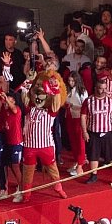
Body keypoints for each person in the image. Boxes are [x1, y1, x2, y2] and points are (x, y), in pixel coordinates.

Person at [14, 75, 68, 203]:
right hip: (30, 146)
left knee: (53, 170)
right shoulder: (29, 110)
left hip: (45, 146)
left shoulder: (50, 112)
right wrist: (27, 83)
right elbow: (22, 96)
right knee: (27, 172)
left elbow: (56, 104)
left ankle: (59, 188)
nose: (38, 98)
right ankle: (26, 194)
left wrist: (55, 89)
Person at [81, 80, 112, 185]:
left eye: (104, 88)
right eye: (100, 88)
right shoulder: (88, 101)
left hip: (108, 132)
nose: (103, 90)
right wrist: (85, 131)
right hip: (93, 132)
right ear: (96, 87)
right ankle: (93, 175)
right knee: (93, 155)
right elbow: (83, 116)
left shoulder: (111, 101)